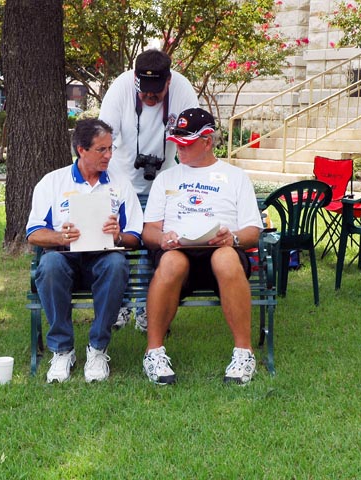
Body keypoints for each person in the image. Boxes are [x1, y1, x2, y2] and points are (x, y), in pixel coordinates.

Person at [140, 108, 264, 386]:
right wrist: (162, 238)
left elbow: (252, 232)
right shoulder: (166, 178)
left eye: (186, 143)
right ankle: (154, 352)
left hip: (222, 251)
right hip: (177, 252)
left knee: (225, 258)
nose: (179, 149)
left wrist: (232, 238)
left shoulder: (235, 177)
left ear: (207, 141)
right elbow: (149, 231)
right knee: (171, 261)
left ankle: (244, 353)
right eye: (177, 143)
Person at [25, 118, 144, 383]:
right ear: (81, 150)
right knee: (50, 265)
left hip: (103, 259)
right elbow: (34, 233)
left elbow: (135, 236)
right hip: (65, 258)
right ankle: (62, 350)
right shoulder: (53, 182)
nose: (109, 155)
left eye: (111, 148)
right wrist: (60, 236)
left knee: (116, 264)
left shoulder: (120, 184)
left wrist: (119, 235)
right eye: (102, 149)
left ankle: (98, 349)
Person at [99, 48, 199, 332]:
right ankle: (120, 305)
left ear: (169, 81)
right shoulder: (120, 89)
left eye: (157, 92)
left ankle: (146, 307)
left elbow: (193, 137)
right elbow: (104, 137)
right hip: (121, 180)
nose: (150, 97)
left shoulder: (183, 89)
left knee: (153, 247)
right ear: (135, 80)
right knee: (119, 243)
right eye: (144, 92)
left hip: (164, 182)